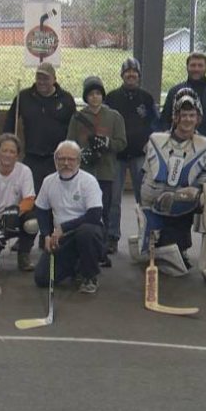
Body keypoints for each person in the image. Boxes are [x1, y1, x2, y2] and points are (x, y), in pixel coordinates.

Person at [140, 89, 206, 273]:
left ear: (198, 118)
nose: (187, 119)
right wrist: (146, 202)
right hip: (153, 201)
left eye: (192, 115)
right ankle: (157, 243)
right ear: (176, 117)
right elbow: (145, 174)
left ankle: (185, 250)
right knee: (150, 251)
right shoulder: (155, 140)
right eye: (183, 115)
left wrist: (195, 191)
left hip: (184, 202)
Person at [33, 141, 106, 294]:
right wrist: (46, 234)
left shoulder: (88, 181)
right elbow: (40, 209)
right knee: (42, 279)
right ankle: (76, 265)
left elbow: (94, 215)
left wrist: (62, 227)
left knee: (86, 232)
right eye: (62, 159)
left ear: (78, 161)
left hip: (87, 233)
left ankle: (90, 276)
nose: (66, 163)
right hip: (61, 238)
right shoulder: (48, 181)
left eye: (71, 159)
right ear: (55, 161)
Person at [66, 75, 126, 259]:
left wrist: (108, 143)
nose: (94, 97)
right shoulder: (78, 117)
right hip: (84, 172)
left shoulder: (114, 117)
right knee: (82, 209)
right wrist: (79, 154)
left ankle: (103, 246)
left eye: (98, 93)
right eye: (91, 94)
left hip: (106, 172)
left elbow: (122, 142)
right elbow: (70, 142)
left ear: (103, 96)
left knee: (104, 210)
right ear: (86, 97)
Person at [104, 57, 157, 256]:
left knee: (143, 197)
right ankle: (112, 237)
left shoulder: (147, 98)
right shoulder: (111, 97)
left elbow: (156, 123)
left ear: (139, 76)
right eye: (128, 72)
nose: (131, 75)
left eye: (135, 72)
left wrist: (150, 141)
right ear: (122, 75)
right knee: (114, 198)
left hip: (139, 155)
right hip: (116, 155)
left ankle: (146, 235)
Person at [3, 62, 76, 198]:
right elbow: (9, 123)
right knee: (31, 197)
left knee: (57, 196)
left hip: (57, 158)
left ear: (54, 79)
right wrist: (7, 146)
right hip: (32, 157)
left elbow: (74, 127)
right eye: (39, 78)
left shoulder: (66, 99)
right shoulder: (23, 97)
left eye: (46, 78)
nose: (41, 82)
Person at [159, 52, 206, 174]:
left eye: (200, 65)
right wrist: (169, 145)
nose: (196, 69)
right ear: (187, 67)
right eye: (193, 65)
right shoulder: (175, 91)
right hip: (179, 150)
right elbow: (165, 120)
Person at [0, 133, 38, 272]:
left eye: (12, 152)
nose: (8, 155)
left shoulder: (25, 171)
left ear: (17, 155)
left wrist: (15, 214)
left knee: (33, 223)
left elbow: (29, 199)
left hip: (17, 216)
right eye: (4, 150)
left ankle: (24, 254)